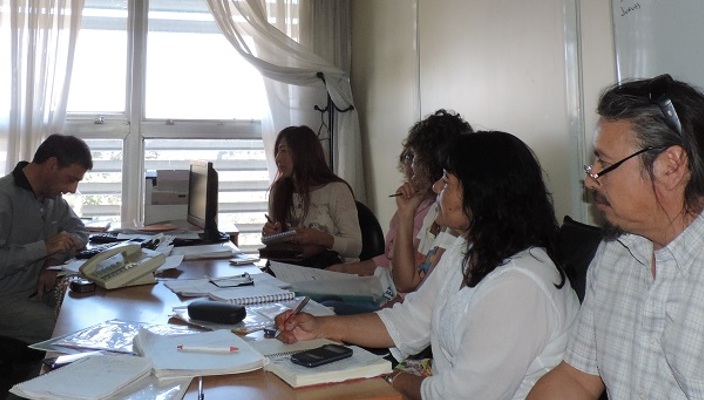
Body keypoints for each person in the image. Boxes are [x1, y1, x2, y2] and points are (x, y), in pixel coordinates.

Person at [275, 131, 579, 399]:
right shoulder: (467, 249)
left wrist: (391, 379)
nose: (435, 187)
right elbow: (409, 322)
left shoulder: (519, 284)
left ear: (480, 195)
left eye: (447, 181)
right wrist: (321, 327)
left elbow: (461, 395)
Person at [528, 74, 704, 399]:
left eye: (605, 163)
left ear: (671, 166)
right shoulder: (616, 250)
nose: (591, 180)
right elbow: (576, 378)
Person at [327, 109, 473, 298]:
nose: (409, 165)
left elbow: (408, 292)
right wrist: (405, 214)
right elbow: (404, 281)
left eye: (413, 157)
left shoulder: (449, 220)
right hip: (396, 296)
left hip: (398, 298)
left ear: (430, 161)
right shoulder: (432, 212)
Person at [0, 134, 92, 344]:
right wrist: (44, 248)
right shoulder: (4, 198)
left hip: (39, 292)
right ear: (52, 165)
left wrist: (53, 261)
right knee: (73, 332)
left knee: (91, 311)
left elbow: (80, 232)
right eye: (71, 179)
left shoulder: (53, 199)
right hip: (6, 299)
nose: (72, 189)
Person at [263, 125, 361, 269]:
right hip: (294, 268)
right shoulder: (279, 191)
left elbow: (355, 247)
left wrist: (320, 239)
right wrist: (272, 235)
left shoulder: (336, 190)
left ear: (303, 153)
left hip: (335, 270)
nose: (277, 158)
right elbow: (278, 246)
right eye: (277, 151)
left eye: (283, 151)